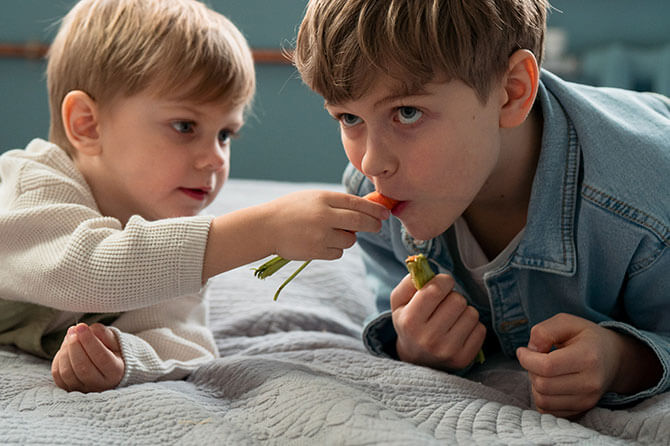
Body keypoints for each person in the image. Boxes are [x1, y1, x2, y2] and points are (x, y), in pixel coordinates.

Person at [293, 0, 670, 418]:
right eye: (348, 118)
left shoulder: (645, 210)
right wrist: (411, 345)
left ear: (511, 92)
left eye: (407, 112)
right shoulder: (372, 194)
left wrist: (623, 359)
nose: (371, 163)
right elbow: (390, 305)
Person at [0, 0, 389, 393]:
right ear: (87, 125)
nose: (215, 158)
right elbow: (89, 269)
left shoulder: (165, 235)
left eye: (225, 134)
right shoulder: (33, 187)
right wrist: (260, 231)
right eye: (185, 126)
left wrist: (123, 355)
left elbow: (186, 342)